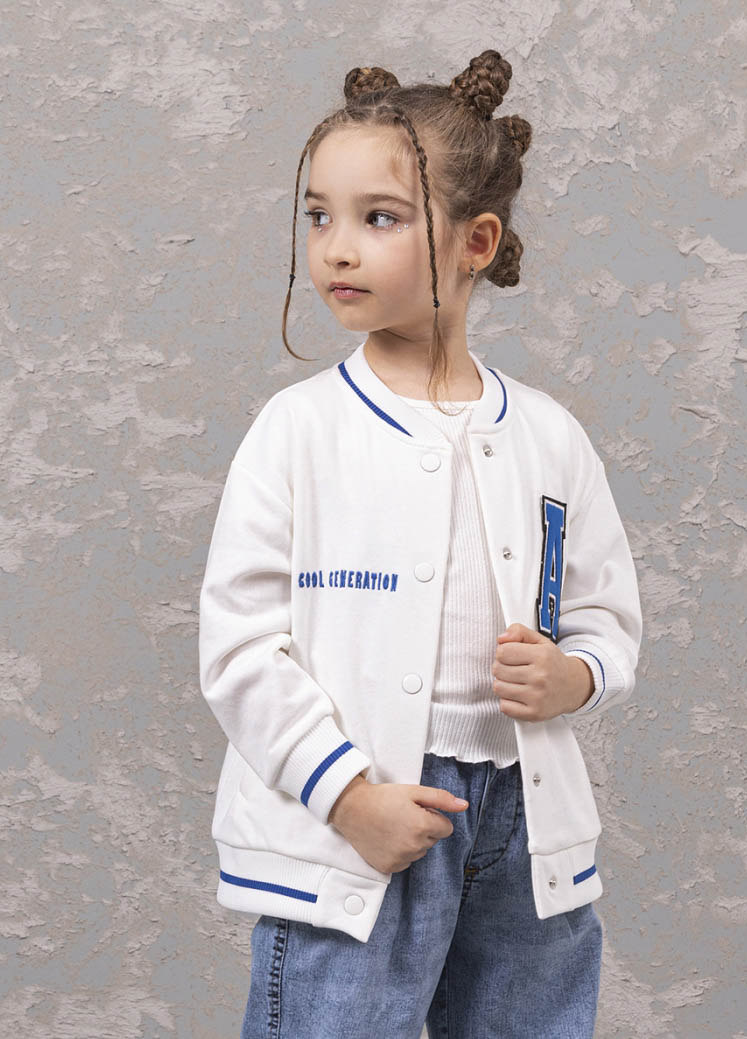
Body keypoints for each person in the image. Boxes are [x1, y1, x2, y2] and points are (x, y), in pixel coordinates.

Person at [198, 49, 643, 1039]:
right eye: (319, 215)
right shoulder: (298, 431)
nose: (336, 249)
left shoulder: (548, 436)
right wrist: (346, 795)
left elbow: (606, 616)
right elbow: (240, 648)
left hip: (525, 831)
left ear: (476, 241)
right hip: (362, 819)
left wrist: (573, 676)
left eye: (380, 218)